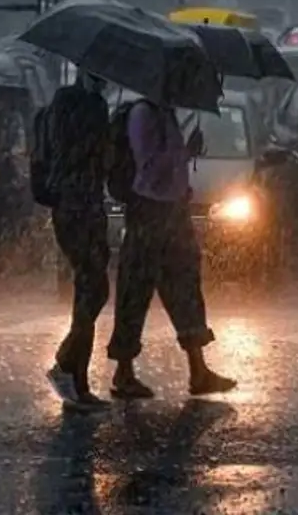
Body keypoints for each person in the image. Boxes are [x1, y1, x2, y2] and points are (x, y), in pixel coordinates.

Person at [106, 98, 237, 399]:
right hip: (148, 211)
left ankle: (199, 370)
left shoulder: (167, 114)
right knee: (135, 290)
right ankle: (123, 372)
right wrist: (183, 152)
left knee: (185, 287)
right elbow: (149, 166)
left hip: (174, 211)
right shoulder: (142, 114)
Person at [43, 70, 113, 411]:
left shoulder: (93, 105)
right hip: (73, 205)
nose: (105, 80)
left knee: (91, 289)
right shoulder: (69, 103)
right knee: (93, 286)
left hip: (89, 203)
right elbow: (72, 151)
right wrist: (102, 134)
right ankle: (66, 365)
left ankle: (76, 378)